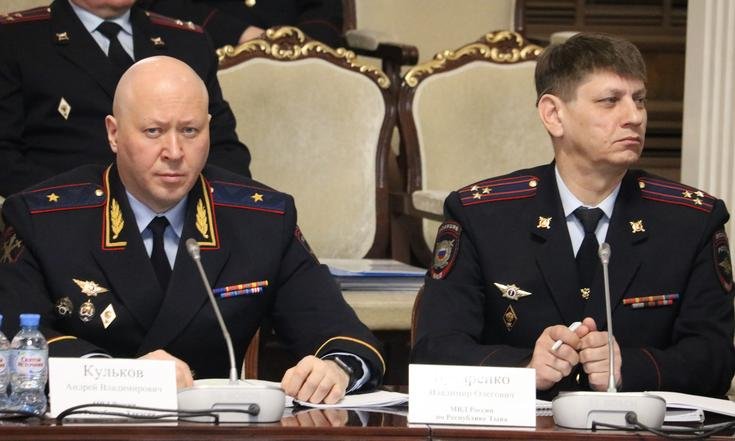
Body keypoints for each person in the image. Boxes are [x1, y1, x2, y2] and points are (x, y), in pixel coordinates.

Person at [0, 56, 383, 404]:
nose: (174, 151)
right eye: (153, 131)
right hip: (87, 428)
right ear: (114, 134)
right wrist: (122, 378)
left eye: (190, 130)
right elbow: (16, 341)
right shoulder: (43, 219)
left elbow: (339, 332)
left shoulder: (261, 220)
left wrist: (335, 369)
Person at [411, 33, 735, 399]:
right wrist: (522, 370)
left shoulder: (691, 220)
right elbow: (434, 351)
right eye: (610, 101)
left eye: (639, 100)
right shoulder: (481, 216)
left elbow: (716, 358)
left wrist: (629, 367)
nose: (634, 117)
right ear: (553, 114)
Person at [0, 0, 251, 197]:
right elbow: (5, 157)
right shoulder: (15, 38)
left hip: (181, 215)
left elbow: (226, 149)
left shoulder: (188, 41)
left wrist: (188, 201)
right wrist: (74, 202)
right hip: (67, 218)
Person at [140, 0, 344, 49]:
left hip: (305, 58)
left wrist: (301, 46)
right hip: (212, 52)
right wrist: (239, 33)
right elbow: (159, 5)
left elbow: (325, 9)